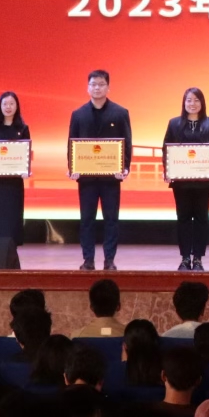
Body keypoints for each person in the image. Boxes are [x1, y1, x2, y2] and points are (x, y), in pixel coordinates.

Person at [69, 69, 133, 270]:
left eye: (101, 84)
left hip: (110, 177)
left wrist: (125, 167)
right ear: (87, 88)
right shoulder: (78, 114)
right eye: (93, 84)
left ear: (108, 87)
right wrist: (72, 167)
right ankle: (88, 259)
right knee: (87, 219)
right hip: (86, 178)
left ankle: (109, 260)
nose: (97, 88)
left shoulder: (120, 113)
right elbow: (72, 142)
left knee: (111, 220)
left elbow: (127, 142)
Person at [161, 89, 209, 270]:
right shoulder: (174, 123)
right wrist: (168, 170)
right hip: (181, 182)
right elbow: (166, 149)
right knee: (183, 218)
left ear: (202, 103)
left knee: (202, 219)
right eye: (189, 100)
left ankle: (198, 259)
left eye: (196, 100)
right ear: (184, 103)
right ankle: (185, 258)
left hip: (203, 182)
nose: (192, 104)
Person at [0, 88, 33, 245]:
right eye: (5, 104)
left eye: (11, 103)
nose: (8, 107)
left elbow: (26, 154)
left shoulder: (23, 129)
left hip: (14, 184)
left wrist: (25, 169)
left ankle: (12, 251)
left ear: (17, 106)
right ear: (0, 106)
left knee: (12, 218)